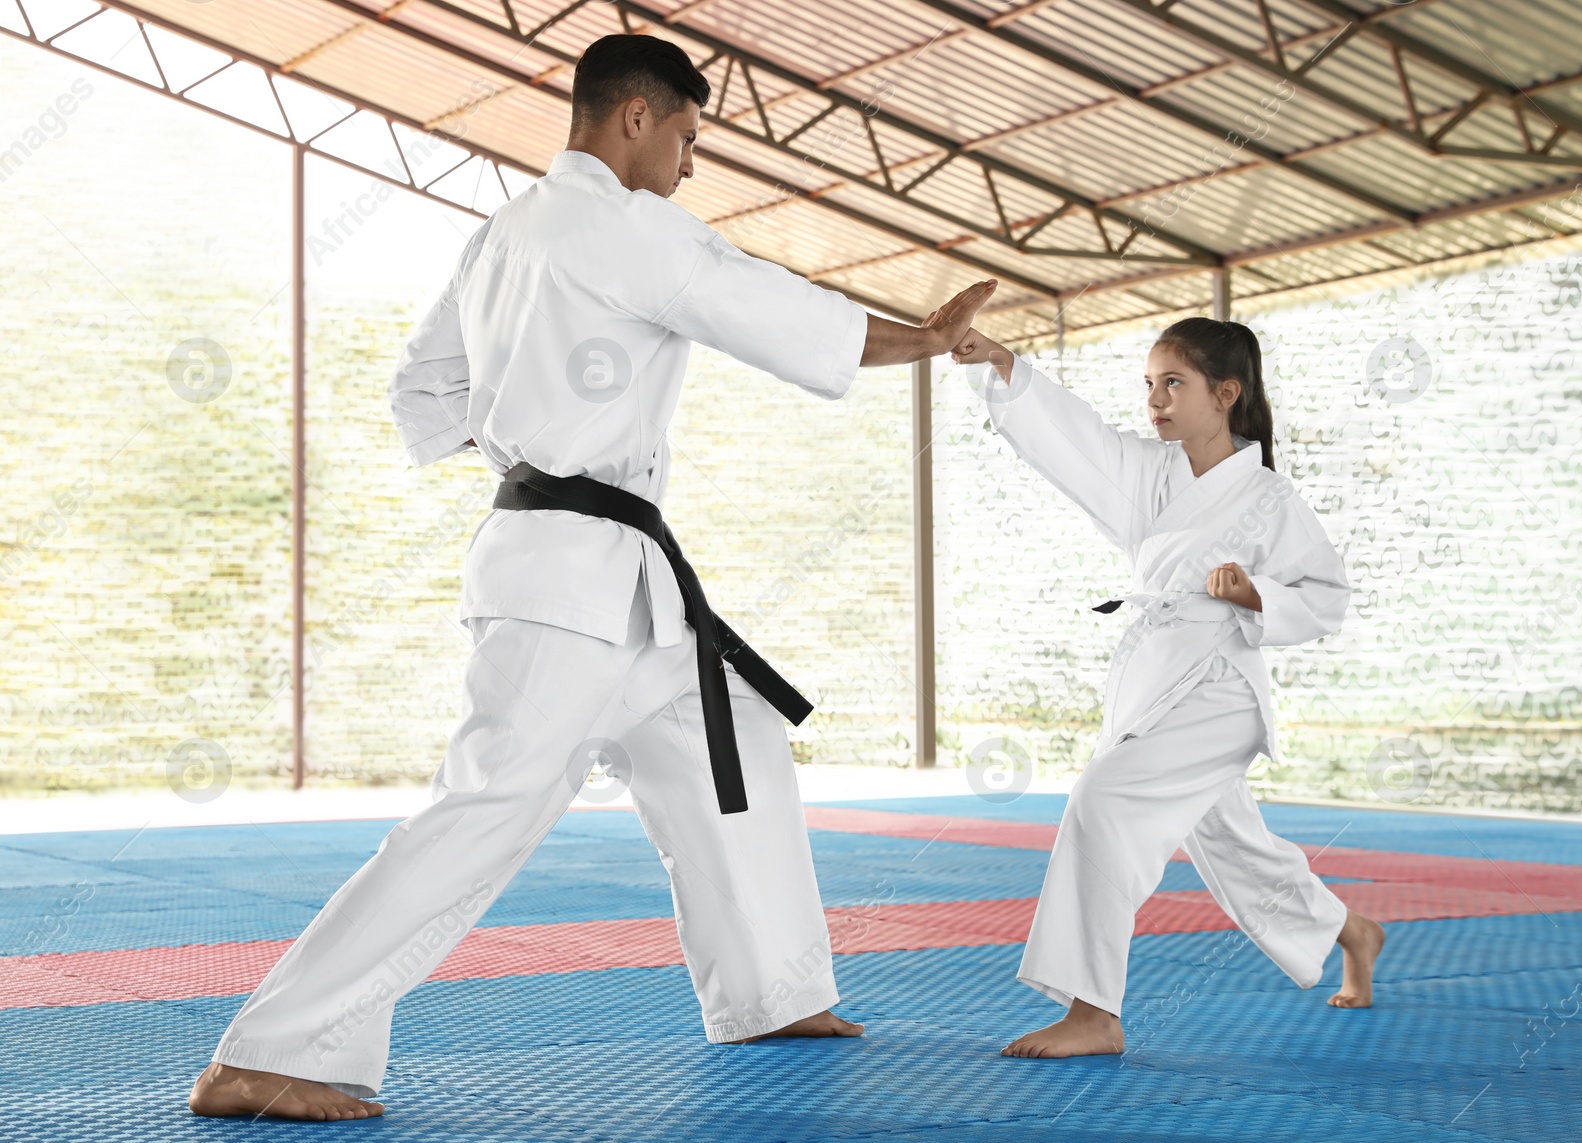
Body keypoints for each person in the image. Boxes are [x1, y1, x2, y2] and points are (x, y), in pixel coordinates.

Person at [189, 33, 997, 1119]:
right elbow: (767, 308)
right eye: (687, 138)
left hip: (607, 577)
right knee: (486, 810)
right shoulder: (628, 229)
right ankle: (276, 1047)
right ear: (634, 119)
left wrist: (526, 442)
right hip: (567, 582)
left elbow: (422, 391)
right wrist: (928, 337)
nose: (689, 164)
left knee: (736, 741)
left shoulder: (506, 232)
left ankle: (771, 991)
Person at [950, 317, 1385, 1060]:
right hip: (1155, 680)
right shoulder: (1151, 472)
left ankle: (1093, 1012)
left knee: (1101, 802)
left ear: (1226, 394)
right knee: (1234, 845)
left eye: (1173, 383)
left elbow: (1328, 593)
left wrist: (1257, 594)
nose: (1155, 399)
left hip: (1217, 691)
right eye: (1149, 384)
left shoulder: (1270, 499)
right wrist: (1004, 366)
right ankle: (1352, 930)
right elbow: (1074, 437)